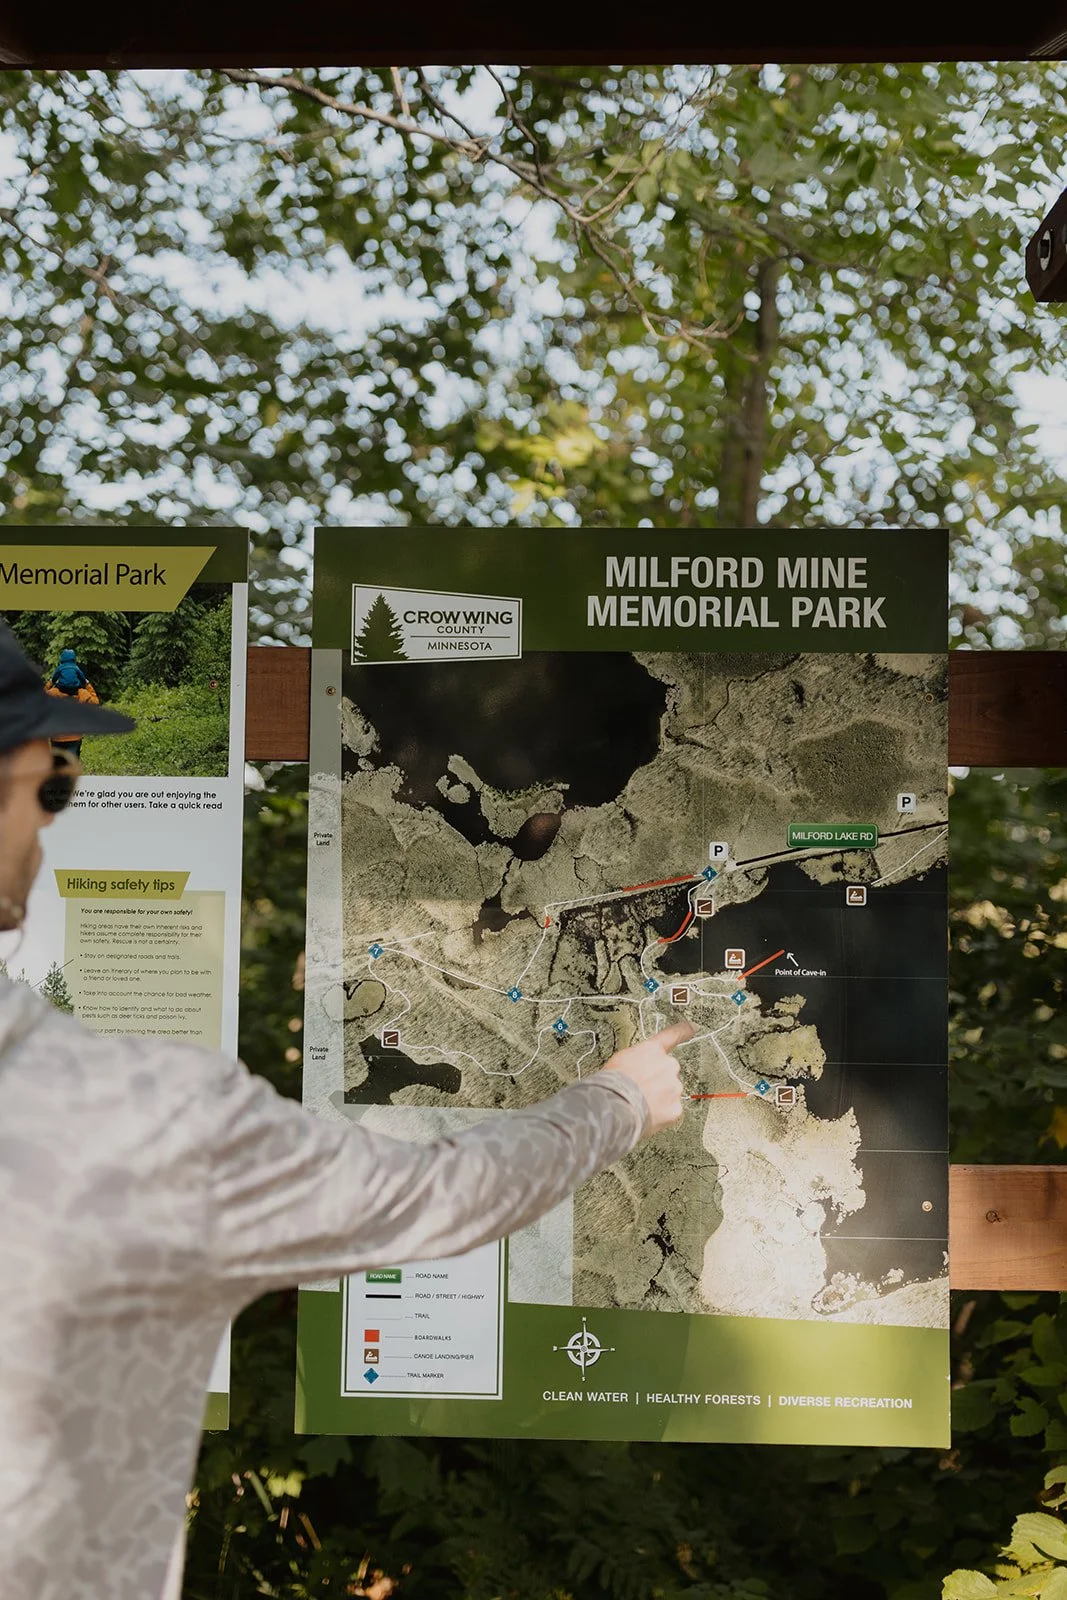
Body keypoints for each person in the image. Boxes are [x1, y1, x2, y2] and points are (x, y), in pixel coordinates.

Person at [0, 619, 694, 1600]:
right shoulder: (142, 1120)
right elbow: (436, 1197)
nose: (53, 815)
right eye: (51, 783)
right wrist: (618, 1100)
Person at [43, 646, 101, 761]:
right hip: (75, 736)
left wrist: (51, 681)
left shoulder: (53, 693)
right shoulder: (82, 694)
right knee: (72, 763)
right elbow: (96, 702)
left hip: (56, 737)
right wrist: (86, 682)